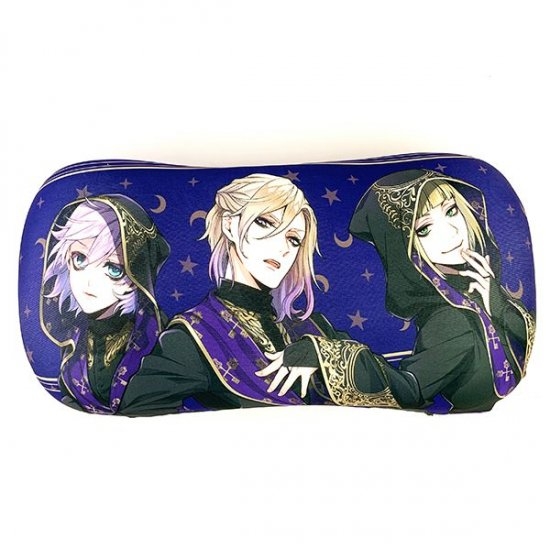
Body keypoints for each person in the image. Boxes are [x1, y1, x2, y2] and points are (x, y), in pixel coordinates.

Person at [119, 173, 398, 415]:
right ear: (229, 225)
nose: (282, 248)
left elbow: (403, 391)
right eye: (266, 223)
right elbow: (138, 417)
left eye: (293, 239)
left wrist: (322, 354)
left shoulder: (313, 328)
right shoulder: (193, 335)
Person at [272, 169, 535, 413]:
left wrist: (496, 302)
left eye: (451, 211)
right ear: (403, 247)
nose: (452, 231)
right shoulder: (449, 320)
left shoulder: (478, 287)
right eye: (425, 229)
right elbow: (408, 390)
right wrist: (325, 355)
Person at [40, 195, 170, 414]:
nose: (89, 282)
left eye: (113, 269)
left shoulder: (156, 336)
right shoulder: (73, 334)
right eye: (80, 259)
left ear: (137, 275)